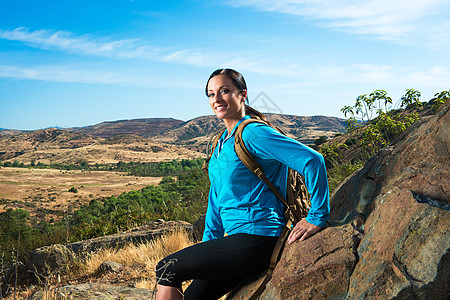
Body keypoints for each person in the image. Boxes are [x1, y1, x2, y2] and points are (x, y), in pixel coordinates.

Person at [155, 68, 330, 300]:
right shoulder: (220, 143)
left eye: (224, 91)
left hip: (259, 239)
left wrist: (316, 217)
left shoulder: (254, 133)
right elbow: (217, 199)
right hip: (234, 244)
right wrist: (210, 248)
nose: (216, 99)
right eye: (210, 94)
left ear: (242, 94)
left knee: (167, 268)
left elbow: (312, 160)